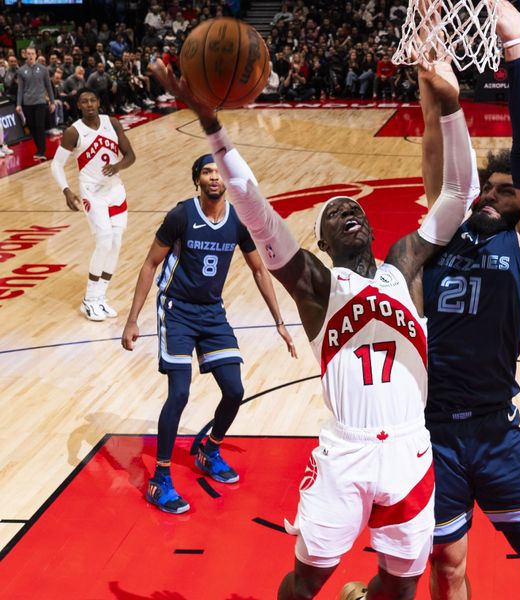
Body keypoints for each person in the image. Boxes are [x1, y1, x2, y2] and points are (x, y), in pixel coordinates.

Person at [150, 45, 476, 599]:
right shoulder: (318, 288)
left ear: (372, 230)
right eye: (334, 213)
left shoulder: (404, 268)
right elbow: (254, 208)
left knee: (400, 590)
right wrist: (211, 125)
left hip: (409, 451)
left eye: (357, 209)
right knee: (305, 581)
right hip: (345, 454)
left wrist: (452, 108)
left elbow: (460, 193)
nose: (349, 209)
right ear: (322, 243)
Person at [421, 2, 520, 600]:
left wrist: (518, 50)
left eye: (506, 192)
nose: (491, 195)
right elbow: (434, 143)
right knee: (448, 566)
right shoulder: (444, 230)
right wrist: (431, 64)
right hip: (433, 432)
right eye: (489, 184)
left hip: (495, 432)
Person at [121, 154, 296, 514]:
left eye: (218, 171)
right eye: (206, 171)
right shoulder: (181, 215)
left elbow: (259, 271)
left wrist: (279, 321)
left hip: (212, 312)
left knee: (234, 389)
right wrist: (132, 319)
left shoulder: (238, 221)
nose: (214, 177)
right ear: (197, 179)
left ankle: (209, 450)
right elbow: (151, 263)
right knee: (180, 391)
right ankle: (160, 479)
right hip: (177, 310)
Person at [50, 88, 136, 321]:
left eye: (92, 100)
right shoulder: (73, 132)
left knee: (116, 243)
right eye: (84, 102)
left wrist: (118, 167)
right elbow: (56, 165)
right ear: (79, 106)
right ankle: (89, 300)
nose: (89, 104)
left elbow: (130, 156)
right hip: (92, 193)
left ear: (98, 102)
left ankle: (100, 297)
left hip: (115, 190)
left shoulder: (113, 123)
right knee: (104, 241)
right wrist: (66, 190)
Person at [16, 46, 55, 161]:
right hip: (27, 103)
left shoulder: (43, 69)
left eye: (32, 54)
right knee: (32, 128)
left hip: (40, 102)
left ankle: (42, 151)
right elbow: (20, 89)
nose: (31, 56)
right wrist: (19, 104)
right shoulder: (21, 70)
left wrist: (52, 102)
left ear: (36, 55)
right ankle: (39, 149)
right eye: (28, 54)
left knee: (39, 126)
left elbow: (49, 86)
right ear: (25, 55)